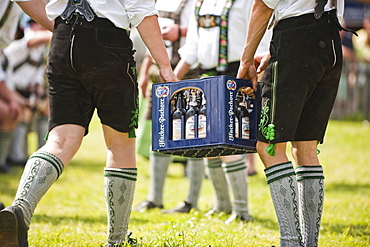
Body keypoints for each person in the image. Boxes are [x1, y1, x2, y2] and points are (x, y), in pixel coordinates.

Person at [0, 1, 177, 247]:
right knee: (120, 144)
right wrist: (165, 67)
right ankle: (117, 240)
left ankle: (19, 210)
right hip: (107, 42)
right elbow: (142, 10)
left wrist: (59, 26)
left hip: (62, 39)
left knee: (59, 140)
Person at [237, 0, 351, 246]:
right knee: (305, 147)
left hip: (296, 38)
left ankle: (290, 242)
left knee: (269, 146)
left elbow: (263, 5)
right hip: (330, 39)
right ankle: (309, 243)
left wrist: (246, 61)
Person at [172, 0, 271, 223]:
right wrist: (173, 78)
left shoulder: (246, 2)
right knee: (210, 142)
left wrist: (257, 76)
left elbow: (263, 39)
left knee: (230, 143)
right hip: (207, 77)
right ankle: (222, 205)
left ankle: (242, 211)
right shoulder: (200, 3)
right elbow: (192, 49)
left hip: (238, 75)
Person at [135, 0, 205, 214]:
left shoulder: (195, 2)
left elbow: (204, 32)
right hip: (159, 74)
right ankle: (154, 198)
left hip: (188, 73)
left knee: (195, 136)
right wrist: (145, 72)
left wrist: (179, 31)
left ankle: (192, 201)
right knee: (159, 134)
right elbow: (152, 38)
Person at [5, 15, 52, 167]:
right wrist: (62, 32)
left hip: (24, 92)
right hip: (9, 91)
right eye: (37, 23)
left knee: (48, 108)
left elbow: (36, 79)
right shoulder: (20, 44)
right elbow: (31, 40)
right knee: (22, 111)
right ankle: (15, 157)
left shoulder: (39, 52)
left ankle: (45, 154)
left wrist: (37, 93)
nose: (42, 27)